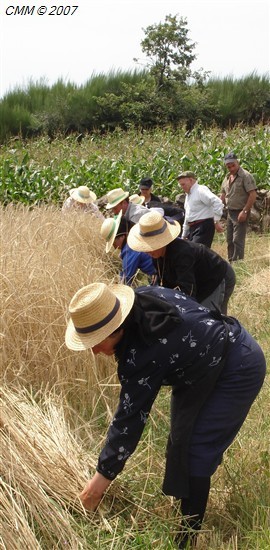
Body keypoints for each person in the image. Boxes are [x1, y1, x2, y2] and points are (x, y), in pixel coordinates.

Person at [65, 282, 266, 549]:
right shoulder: (141, 299)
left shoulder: (142, 354)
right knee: (179, 439)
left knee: (197, 450)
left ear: (116, 330)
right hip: (199, 368)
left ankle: (186, 538)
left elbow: (129, 422)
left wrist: (95, 489)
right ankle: (185, 509)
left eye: (96, 341)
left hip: (236, 367)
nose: (94, 351)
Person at [127, 211, 236, 315]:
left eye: (152, 246)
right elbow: (163, 283)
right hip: (199, 280)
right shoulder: (157, 255)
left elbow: (188, 291)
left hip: (216, 277)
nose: (148, 251)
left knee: (209, 319)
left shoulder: (182, 253)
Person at [100, 213, 156, 286]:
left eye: (113, 242)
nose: (113, 246)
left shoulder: (130, 248)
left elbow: (126, 280)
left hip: (162, 274)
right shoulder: (135, 236)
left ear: (122, 237)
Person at [220, 152, 257, 262]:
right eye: (228, 166)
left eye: (233, 165)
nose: (231, 168)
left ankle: (239, 263)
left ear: (238, 163)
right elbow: (222, 194)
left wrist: (245, 211)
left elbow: (253, 194)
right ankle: (231, 262)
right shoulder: (227, 178)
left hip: (240, 211)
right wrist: (216, 209)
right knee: (229, 239)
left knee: (237, 240)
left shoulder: (246, 176)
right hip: (230, 212)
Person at [177, 171, 224, 248]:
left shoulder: (200, 190)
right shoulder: (188, 195)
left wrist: (216, 221)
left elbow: (217, 202)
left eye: (183, 184)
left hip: (203, 226)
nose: (182, 187)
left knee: (197, 252)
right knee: (193, 253)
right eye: (181, 185)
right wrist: (184, 234)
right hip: (193, 228)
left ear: (191, 180)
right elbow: (188, 216)